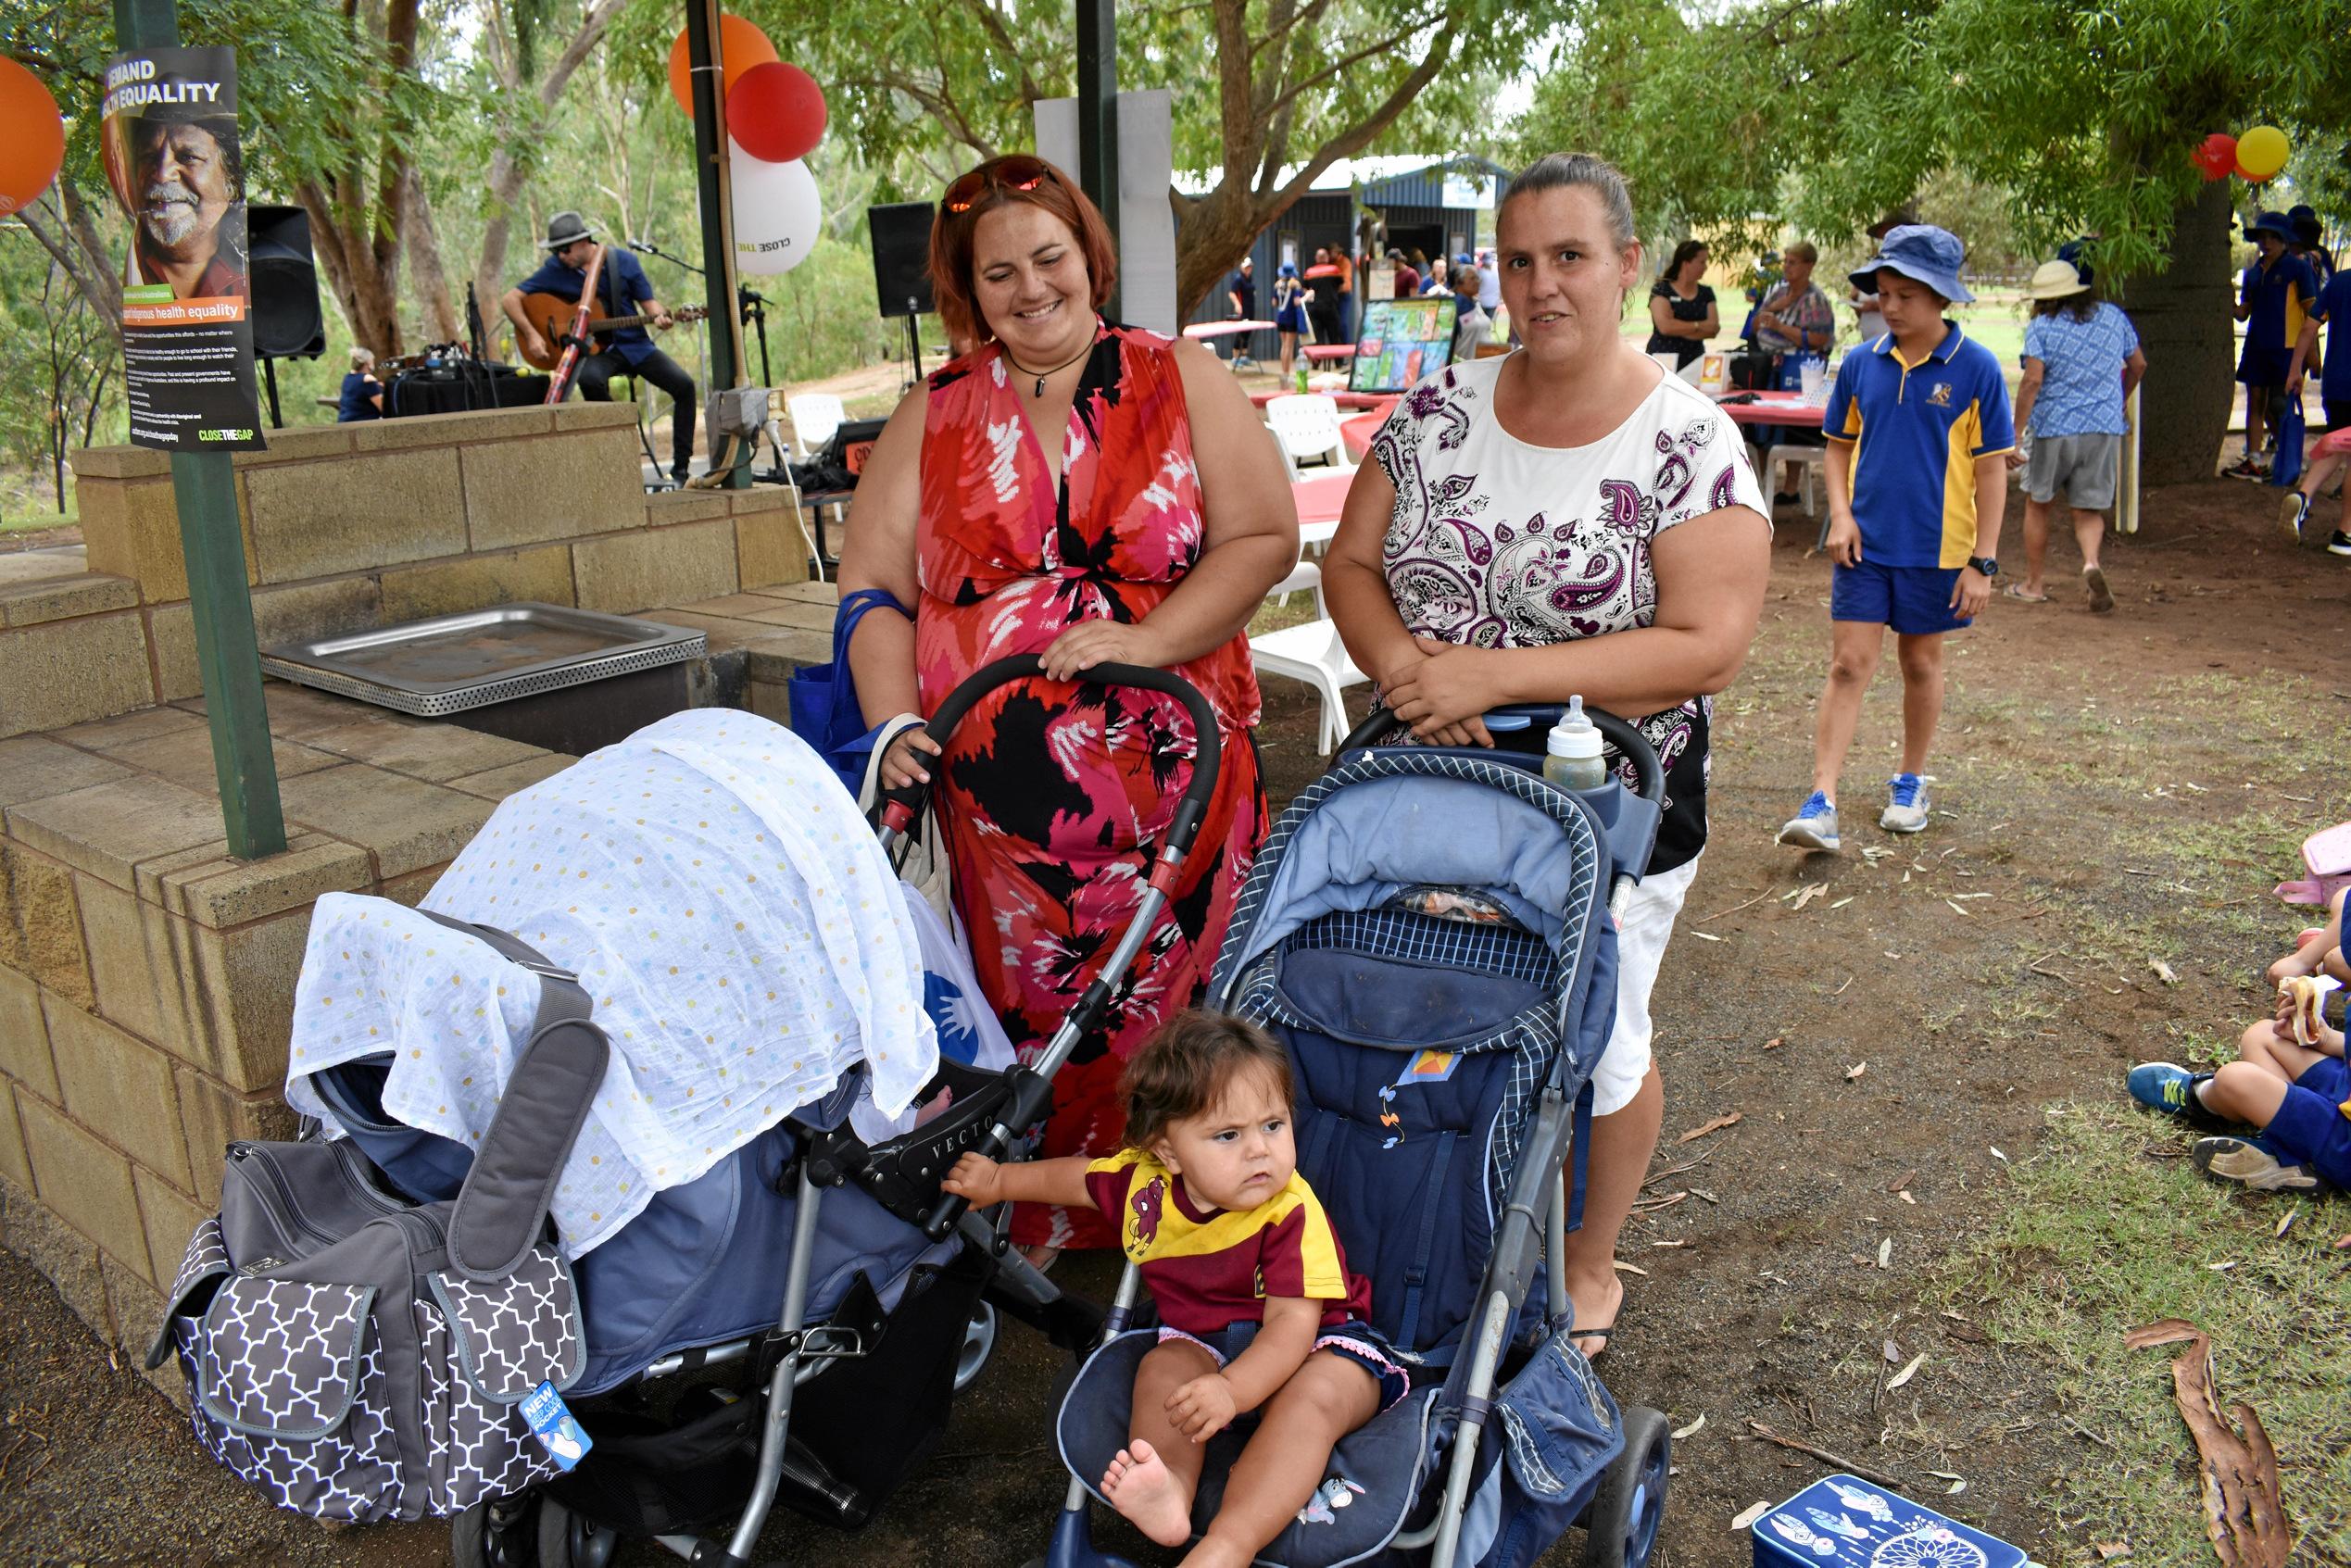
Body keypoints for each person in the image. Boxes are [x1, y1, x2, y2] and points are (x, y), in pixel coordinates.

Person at [1324, 151, 1770, 1357]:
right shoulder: (1430, 415)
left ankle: (1588, 1259)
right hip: (1433, 772)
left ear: (1626, 266)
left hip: (1611, 793)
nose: (1541, 284)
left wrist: (1495, 675)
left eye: (1569, 256)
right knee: (1424, 993)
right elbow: (1350, 565)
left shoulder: (1688, 443)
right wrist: (1408, 672)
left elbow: (1707, 645)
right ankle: (1417, 1208)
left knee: (1600, 1031)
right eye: (1517, 261)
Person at [841, 154, 1295, 1260]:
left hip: (1179, 800)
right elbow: (872, 591)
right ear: (968, 288)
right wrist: (898, 721)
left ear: (1089, 255)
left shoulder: (1178, 374)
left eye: (1049, 257)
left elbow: (1262, 538)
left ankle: (1208, 1220)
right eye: (998, 272)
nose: (1030, 286)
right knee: (1034, 1030)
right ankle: (1046, 1215)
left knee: (1186, 1026)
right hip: (1007, 843)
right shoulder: (933, 410)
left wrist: (1147, 642)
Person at [943, 1012, 1403, 1568]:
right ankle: (1169, 1493)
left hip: (1320, 1346)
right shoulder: (1144, 1188)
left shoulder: (1291, 1214)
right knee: (1162, 1372)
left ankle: (1231, 1541)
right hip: (1204, 1339)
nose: (1259, 1150)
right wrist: (999, 1182)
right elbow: (1076, 1179)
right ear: (1169, 1153)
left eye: (1273, 1125)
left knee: (1317, 1399)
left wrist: (1233, 1392)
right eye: (1228, 1135)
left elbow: (1291, 1330)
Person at [1779, 224, 2014, 854]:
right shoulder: (1861, 363)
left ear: (1941, 297)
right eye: (1883, 293)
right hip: (1864, 548)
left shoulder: (1977, 369)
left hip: (1939, 553)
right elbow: (1836, 448)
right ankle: (1821, 798)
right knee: (1848, 663)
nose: (1890, 306)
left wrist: (1983, 563)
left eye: (1905, 294)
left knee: (1920, 662)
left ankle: (1910, 782)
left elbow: (1993, 470)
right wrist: (1841, 515)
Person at [2128, 919, 2351, 1195]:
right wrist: (2327, 1039)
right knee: (2262, 1036)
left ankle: (2203, 1099)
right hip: (2343, 1087)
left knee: (2236, 1078)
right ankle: (2280, 1139)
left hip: (2344, 1140)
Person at [502, 211, 698, 485]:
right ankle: (619, 438)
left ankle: (680, 471)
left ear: (584, 241)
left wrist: (663, 317)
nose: (560, 255)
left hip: (635, 345)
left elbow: (650, 305)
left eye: (564, 249)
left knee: (685, 386)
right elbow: (510, 299)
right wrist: (532, 335)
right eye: (556, 250)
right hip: (597, 351)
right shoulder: (555, 269)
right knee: (588, 379)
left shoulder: (624, 262)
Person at [2004, 259, 2146, 610]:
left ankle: (2033, 584)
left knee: (2039, 504)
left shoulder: (2042, 327)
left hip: (2055, 427)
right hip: (2103, 427)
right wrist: (2118, 399)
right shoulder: (2113, 316)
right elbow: (2138, 364)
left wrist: (2016, 433)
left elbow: (2033, 380)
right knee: (2088, 508)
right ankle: (2091, 564)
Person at [2229, 211, 2318, 480]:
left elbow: (2312, 312)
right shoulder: (2254, 273)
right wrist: (2228, 303)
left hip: (2287, 347)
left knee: (2282, 404)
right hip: (2256, 345)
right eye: (2262, 237)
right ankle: (2253, 459)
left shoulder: (2298, 268)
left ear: (2284, 240)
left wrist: (2311, 354)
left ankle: (2290, 457)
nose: (2266, 243)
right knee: (2256, 401)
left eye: (2272, 237)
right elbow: (2243, 312)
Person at [125, 117, 247, 300]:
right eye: (149, 156)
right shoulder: (129, 269)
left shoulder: (253, 278)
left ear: (230, 181)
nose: (163, 174)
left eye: (188, 157)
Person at [1753, 241, 1835, 506]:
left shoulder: (1815, 299)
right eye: (1785, 261)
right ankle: (1762, 485)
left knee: (1792, 428)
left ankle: (1790, 488)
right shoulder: (1777, 291)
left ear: (1809, 266)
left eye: (1793, 262)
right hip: (1770, 365)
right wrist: (1776, 308)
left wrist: (1779, 327)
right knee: (1762, 425)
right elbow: (1756, 325)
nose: (1787, 267)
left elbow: (1819, 338)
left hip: (1800, 370)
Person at [2282, 254, 2351, 554]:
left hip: (2336, 383)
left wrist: (2296, 369)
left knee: (2341, 444)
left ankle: (2304, 497)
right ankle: (2345, 533)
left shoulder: (2339, 282)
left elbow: (2309, 327)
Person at [1644, 239, 1718, 369]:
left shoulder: (1706, 293)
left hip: (1695, 362)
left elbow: (1713, 329)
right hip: (1663, 361)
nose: (1705, 267)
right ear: (1686, 263)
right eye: (1702, 262)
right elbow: (1665, 327)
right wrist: (1699, 326)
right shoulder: (1662, 289)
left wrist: (1676, 325)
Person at [1270, 261, 1309, 380]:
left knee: (1284, 345)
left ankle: (1284, 372)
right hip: (1291, 318)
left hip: (1281, 318)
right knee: (1289, 346)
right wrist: (1307, 297)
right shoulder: (1295, 285)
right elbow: (1296, 302)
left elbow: (1274, 303)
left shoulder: (1278, 285)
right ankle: (1287, 373)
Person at [1449, 264, 1489, 363]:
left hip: (1483, 366)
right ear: (1459, 281)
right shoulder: (1454, 307)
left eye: (1477, 278)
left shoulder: (1476, 304)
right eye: (1472, 278)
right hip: (1462, 368)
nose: (1477, 281)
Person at [337, 347, 385, 422]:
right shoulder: (368, 379)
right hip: (362, 425)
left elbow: (359, 390)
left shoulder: (347, 378)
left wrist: (377, 385)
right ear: (368, 363)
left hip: (344, 422)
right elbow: (383, 408)